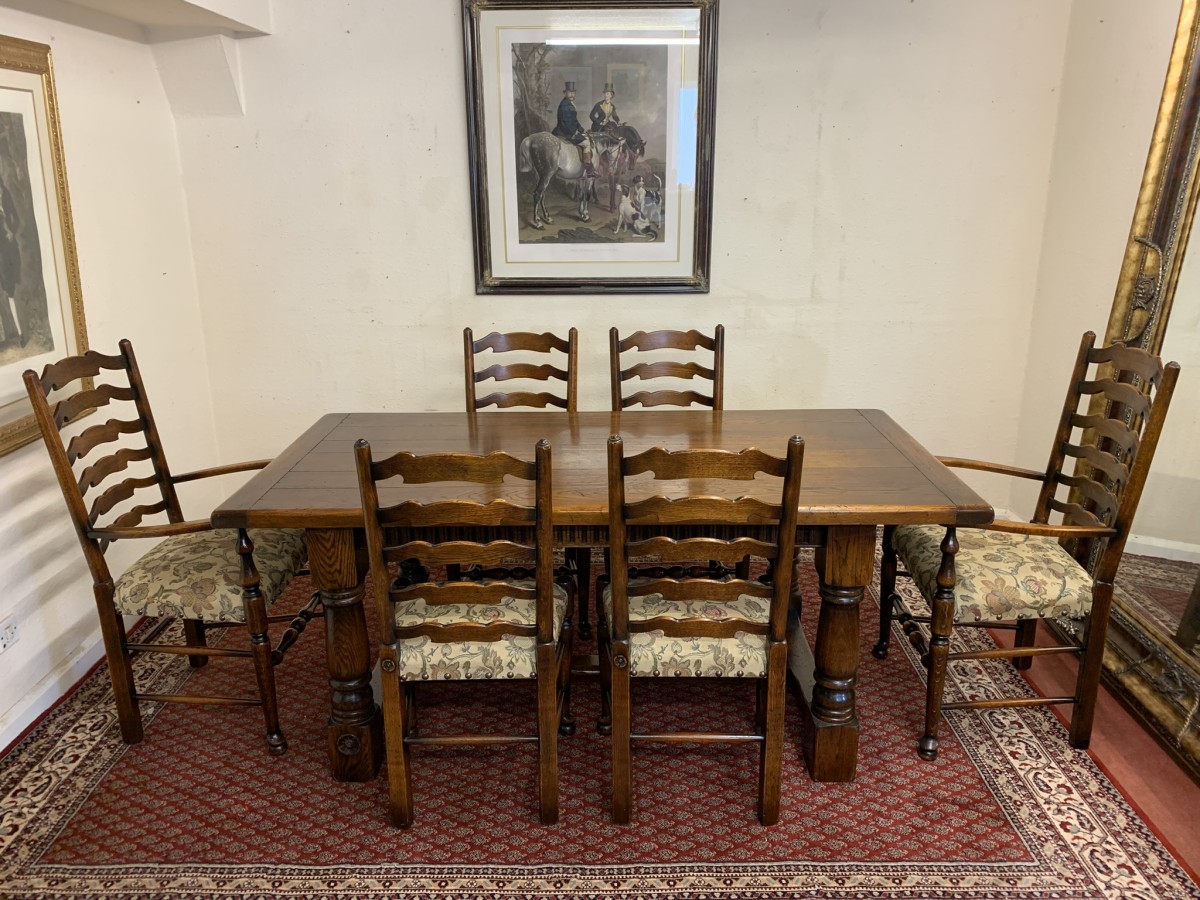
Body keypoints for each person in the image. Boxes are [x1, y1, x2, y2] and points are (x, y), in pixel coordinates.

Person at [551, 81, 596, 176]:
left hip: (567, 130)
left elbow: (574, 121)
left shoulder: (569, 103)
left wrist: (582, 130)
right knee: (587, 143)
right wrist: (575, 133)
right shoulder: (565, 105)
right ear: (565, 93)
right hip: (565, 132)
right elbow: (566, 123)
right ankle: (588, 170)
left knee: (586, 137)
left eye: (573, 92)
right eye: (569, 92)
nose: (572, 94)